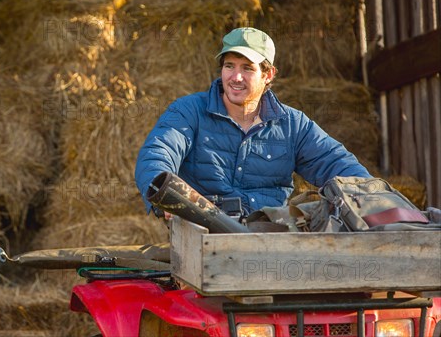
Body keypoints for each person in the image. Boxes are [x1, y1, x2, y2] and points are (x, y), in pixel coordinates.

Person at [135, 27, 371, 217]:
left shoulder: (293, 125)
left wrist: (374, 199)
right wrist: (171, 199)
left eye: (247, 68)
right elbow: (157, 154)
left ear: (268, 75)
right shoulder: (188, 111)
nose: (235, 77)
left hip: (270, 235)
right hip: (203, 233)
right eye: (229, 66)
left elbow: (335, 163)